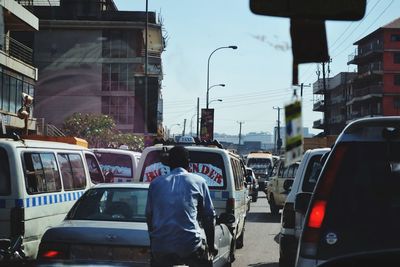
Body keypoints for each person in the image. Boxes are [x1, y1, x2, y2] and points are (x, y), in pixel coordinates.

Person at [146, 146, 217, 267]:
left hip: (161, 247)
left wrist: (155, 243)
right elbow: (208, 218)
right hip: (190, 246)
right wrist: (211, 246)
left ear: (168, 163)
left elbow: (149, 216)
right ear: (188, 163)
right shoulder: (199, 182)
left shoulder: (156, 183)